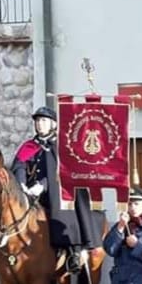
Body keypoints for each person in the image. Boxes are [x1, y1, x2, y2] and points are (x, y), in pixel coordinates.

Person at [11, 106, 98, 273]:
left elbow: (62, 171)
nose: (40, 124)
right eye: (37, 121)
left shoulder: (62, 145)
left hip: (57, 190)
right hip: (29, 192)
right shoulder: (29, 145)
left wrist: (43, 186)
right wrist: (21, 184)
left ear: (53, 124)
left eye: (44, 120)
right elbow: (19, 165)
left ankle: (73, 251)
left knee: (65, 211)